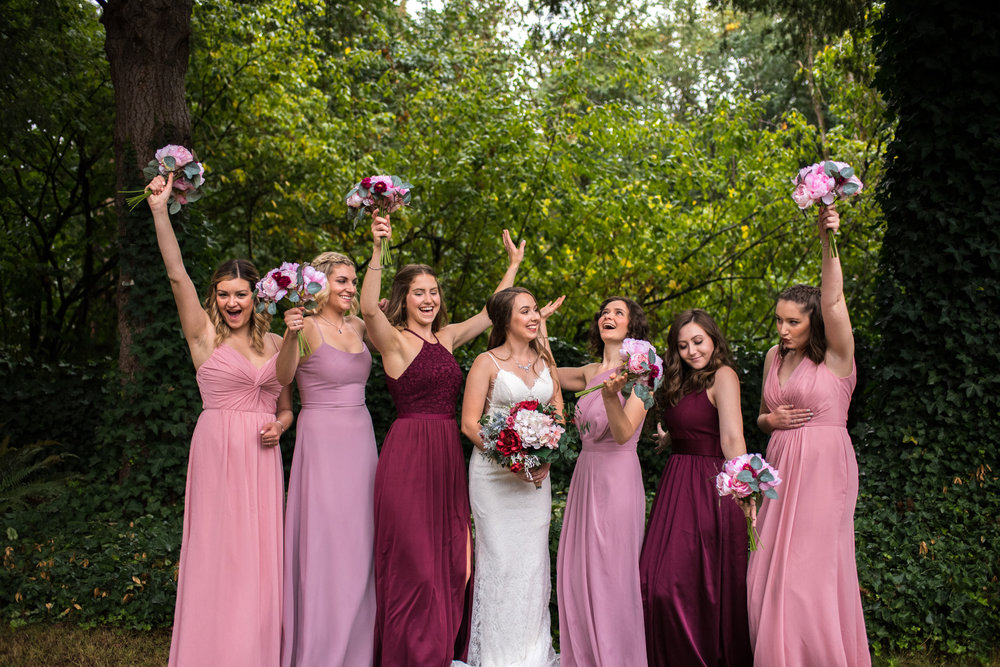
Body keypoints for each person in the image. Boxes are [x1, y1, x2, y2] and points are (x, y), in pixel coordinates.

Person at [361, 214, 525, 667]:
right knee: (413, 561)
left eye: (434, 292)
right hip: (408, 455)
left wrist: (511, 267)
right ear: (405, 299)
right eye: (419, 292)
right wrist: (377, 250)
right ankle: (408, 654)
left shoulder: (448, 339)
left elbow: (491, 311)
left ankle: (439, 650)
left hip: (448, 458)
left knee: (452, 560)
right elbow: (368, 308)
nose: (429, 299)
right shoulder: (393, 341)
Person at [145, 173, 293, 666]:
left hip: (262, 457)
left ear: (258, 297)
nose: (232, 303)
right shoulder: (203, 336)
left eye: (242, 294)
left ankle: (251, 652)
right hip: (217, 450)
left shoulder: (276, 344)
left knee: (257, 559)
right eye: (225, 294)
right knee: (217, 553)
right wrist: (161, 213)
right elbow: (177, 275)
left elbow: (288, 405)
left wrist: (283, 425)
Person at [747, 206, 871, 666]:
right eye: (778, 320)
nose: (782, 330)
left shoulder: (837, 357)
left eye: (793, 322)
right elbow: (762, 417)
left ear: (813, 322)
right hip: (780, 469)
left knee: (809, 573)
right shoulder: (771, 358)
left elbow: (835, 301)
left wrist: (828, 239)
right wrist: (769, 423)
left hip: (823, 469)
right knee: (765, 571)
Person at [277, 252, 377, 666]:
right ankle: (320, 650)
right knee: (327, 543)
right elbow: (282, 378)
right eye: (341, 281)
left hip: (361, 436)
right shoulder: (305, 326)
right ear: (320, 284)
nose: (350, 288)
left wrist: (377, 251)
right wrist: (287, 335)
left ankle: (359, 650)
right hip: (321, 440)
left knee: (361, 542)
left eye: (353, 281)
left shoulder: (358, 324)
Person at [639, 308, 754, 667]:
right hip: (676, 487)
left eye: (698, 341)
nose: (692, 351)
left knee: (688, 588)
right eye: (683, 345)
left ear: (714, 339)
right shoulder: (680, 380)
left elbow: (733, 437)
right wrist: (671, 436)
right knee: (651, 583)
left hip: (710, 489)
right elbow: (695, 423)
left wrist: (745, 492)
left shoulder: (724, 376)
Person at [459, 287, 563, 667]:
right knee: (500, 561)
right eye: (526, 311)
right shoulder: (486, 362)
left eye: (536, 310)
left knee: (533, 562)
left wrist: (546, 455)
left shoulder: (545, 362)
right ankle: (497, 657)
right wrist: (512, 459)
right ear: (506, 320)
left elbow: (559, 418)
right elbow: (470, 424)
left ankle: (532, 654)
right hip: (493, 477)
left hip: (537, 480)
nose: (535, 316)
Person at [553, 296, 651, 667]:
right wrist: (539, 325)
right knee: (577, 573)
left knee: (611, 574)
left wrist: (612, 396)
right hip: (585, 476)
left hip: (618, 478)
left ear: (632, 328)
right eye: (604, 312)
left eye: (618, 313)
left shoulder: (644, 374)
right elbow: (541, 371)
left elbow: (624, 432)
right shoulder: (588, 370)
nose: (607, 316)